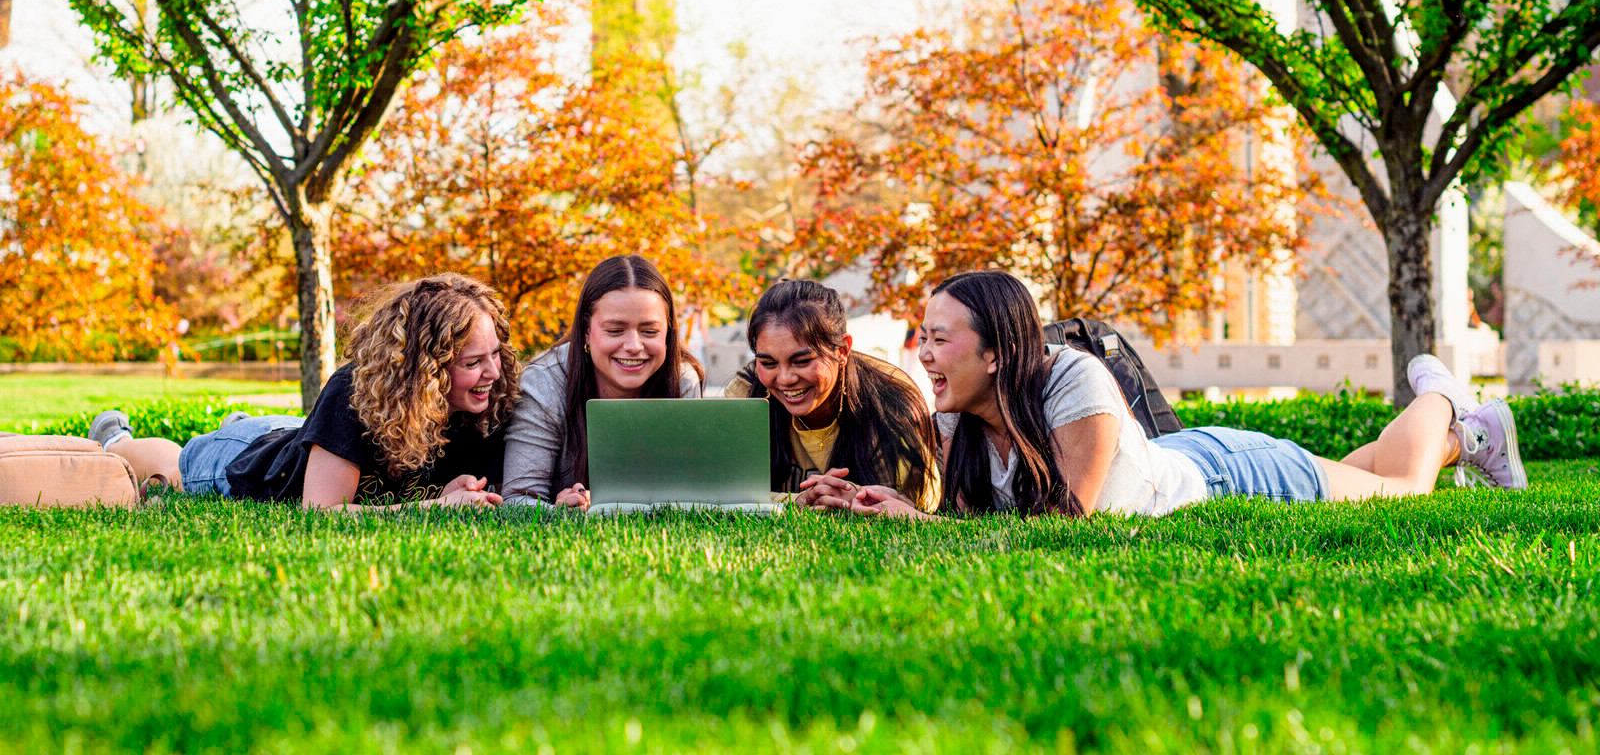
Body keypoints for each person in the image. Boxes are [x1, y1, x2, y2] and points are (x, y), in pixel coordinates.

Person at [841, 271, 1525, 520]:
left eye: (939, 339)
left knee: (1400, 489)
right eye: (921, 339)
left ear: (995, 352)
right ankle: (1474, 435)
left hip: (1235, 474)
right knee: (1362, 474)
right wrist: (899, 506)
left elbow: (1063, 525)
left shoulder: (1072, 379)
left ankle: (1452, 412)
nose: (923, 354)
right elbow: (978, 528)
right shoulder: (959, 418)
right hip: (1191, 455)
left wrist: (917, 525)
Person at [86, 274, 520, 510]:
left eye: (495, 355)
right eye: (472, 363)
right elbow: (321, 514)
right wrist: (432, 510)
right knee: (178, 464)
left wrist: (445, 494)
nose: (492, 372)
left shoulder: (478, 407)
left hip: (302, 441)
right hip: (251, 463)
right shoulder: (354, 394)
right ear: (425, 368)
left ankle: (245, 426)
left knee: (291, 437)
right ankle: (115, 436)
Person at [500, 255, 705, 508]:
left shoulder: (682, 380)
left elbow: (690, 495)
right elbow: (518, 499)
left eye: (650, 331)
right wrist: (557, 511)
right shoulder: (545, 381)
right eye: (615, 330)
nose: (633, 346)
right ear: (586, 331)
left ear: (669, 332)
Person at [726, 279, 943, 512]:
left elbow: (919, 501)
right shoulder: (748, 389)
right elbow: (718, 487)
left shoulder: (888, 398)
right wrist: (796, 501)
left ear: (842, 350)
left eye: (802, 361)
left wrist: (851, 496)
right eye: (768, 363)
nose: (785, 378)